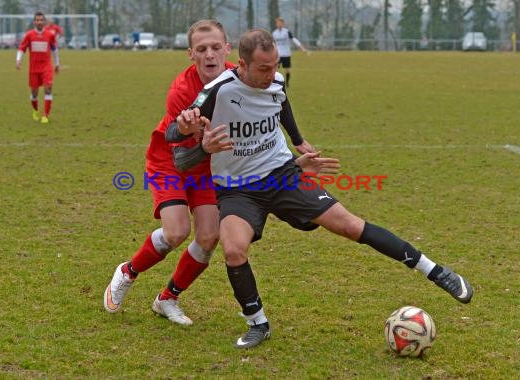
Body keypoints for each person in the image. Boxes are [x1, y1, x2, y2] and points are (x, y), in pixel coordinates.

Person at [171, 29, 474, 349]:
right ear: (241, 65)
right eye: (263, 68)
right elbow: (175, 136)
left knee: (350, 225)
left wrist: (298, 141)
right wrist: (188, 130)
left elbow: (281, 104)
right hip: (237, 189)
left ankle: (437, 272)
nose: (272, 73)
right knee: (233, 250)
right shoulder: (217, 90)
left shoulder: (275, 81)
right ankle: (257, 322)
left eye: (275, 65)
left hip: (281, 175)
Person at [102, 20, 324, 325]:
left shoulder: (242, 77)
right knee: (176, 232)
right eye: (202, 49)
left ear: (228, 50)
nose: (210, 55)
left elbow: (277, 100)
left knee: (208, 237)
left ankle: (167, 299)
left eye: (216, 47)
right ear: (190, 53)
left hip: (212, 167)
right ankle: (129, 271)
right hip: (172, 162)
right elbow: (180, 157)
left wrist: (297, 143)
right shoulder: (181, 92)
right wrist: (197, 140)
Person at [16, 12, 60, 124]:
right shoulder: (29, 35)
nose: (39, 22)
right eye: (37, 20)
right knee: (34, 93)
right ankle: (35, 111)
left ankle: (45, 115)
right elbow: (21, 48)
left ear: (44, 22)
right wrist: (18, 60)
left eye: (41, 20)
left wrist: (57, 63)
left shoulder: (50, 35)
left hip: (46, 67)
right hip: (34, 69)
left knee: (48, 89)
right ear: (34, 22)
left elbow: (54, 50)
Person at [272, 17, 308, 88]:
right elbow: (272, 43)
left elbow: (294, 39)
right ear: (276, 24)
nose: (279, 24)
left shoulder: (287, 32)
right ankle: (276, 83)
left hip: (286, 54)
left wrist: (302, 47)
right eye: (278, 23)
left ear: (283, 24)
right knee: (275, 69)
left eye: (281, 23)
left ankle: (287, 83)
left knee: (287, 70)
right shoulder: (274, 33)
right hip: (278, 55)